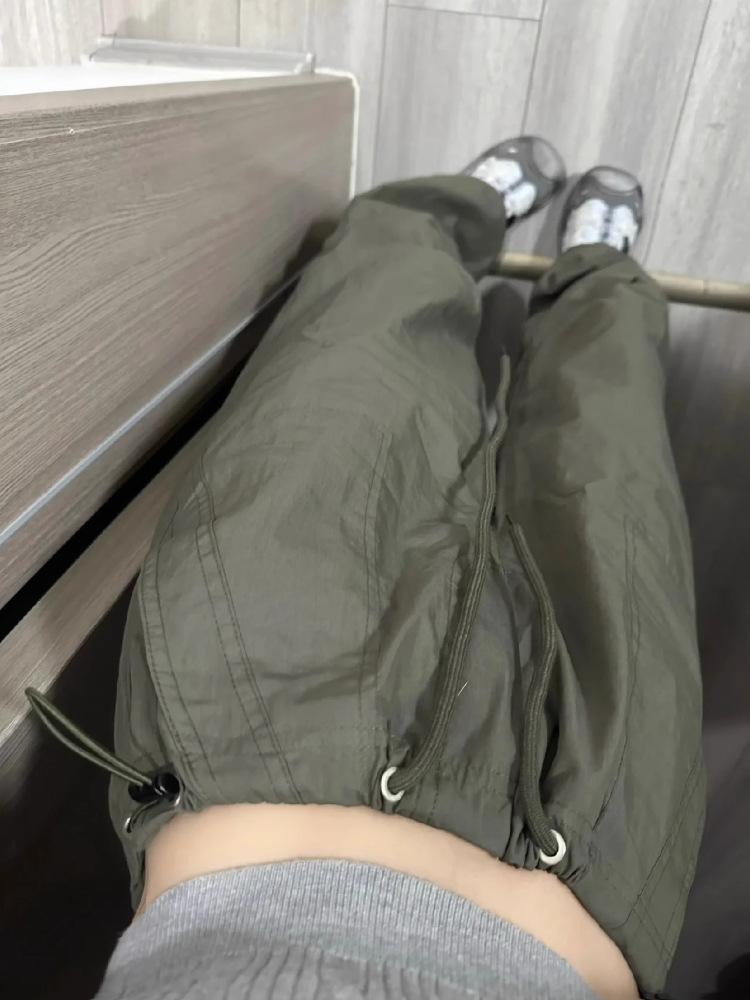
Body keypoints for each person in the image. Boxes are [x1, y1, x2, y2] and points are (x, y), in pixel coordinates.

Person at [28, 136, 705, 1000]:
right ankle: (601, 273)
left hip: (258, 725)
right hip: (597, 840)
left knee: (350, 352)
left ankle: (445, 212)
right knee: (610, 443)